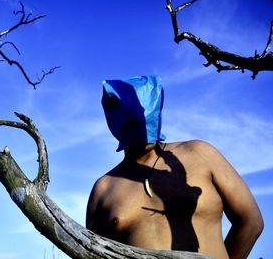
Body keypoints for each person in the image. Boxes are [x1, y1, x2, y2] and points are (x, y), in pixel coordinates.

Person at [86, 75, 263, 259]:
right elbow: (93, 253)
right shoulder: (103, 189)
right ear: (113, 119)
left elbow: (251, 222)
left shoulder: (200, 154)